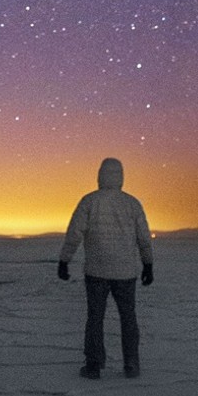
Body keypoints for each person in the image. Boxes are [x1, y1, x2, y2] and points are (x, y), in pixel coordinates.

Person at [57, 156, 154, 379]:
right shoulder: (132, 203)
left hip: (96, 271)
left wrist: (64, 260)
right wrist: (148, 264)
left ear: (100, 175)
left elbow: (74, 234)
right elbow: (144, 238)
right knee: (128, 318)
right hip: (126, 273)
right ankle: (131, 364)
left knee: (95, 318)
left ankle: (93, 365)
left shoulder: (89, 201)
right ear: (121, 176)